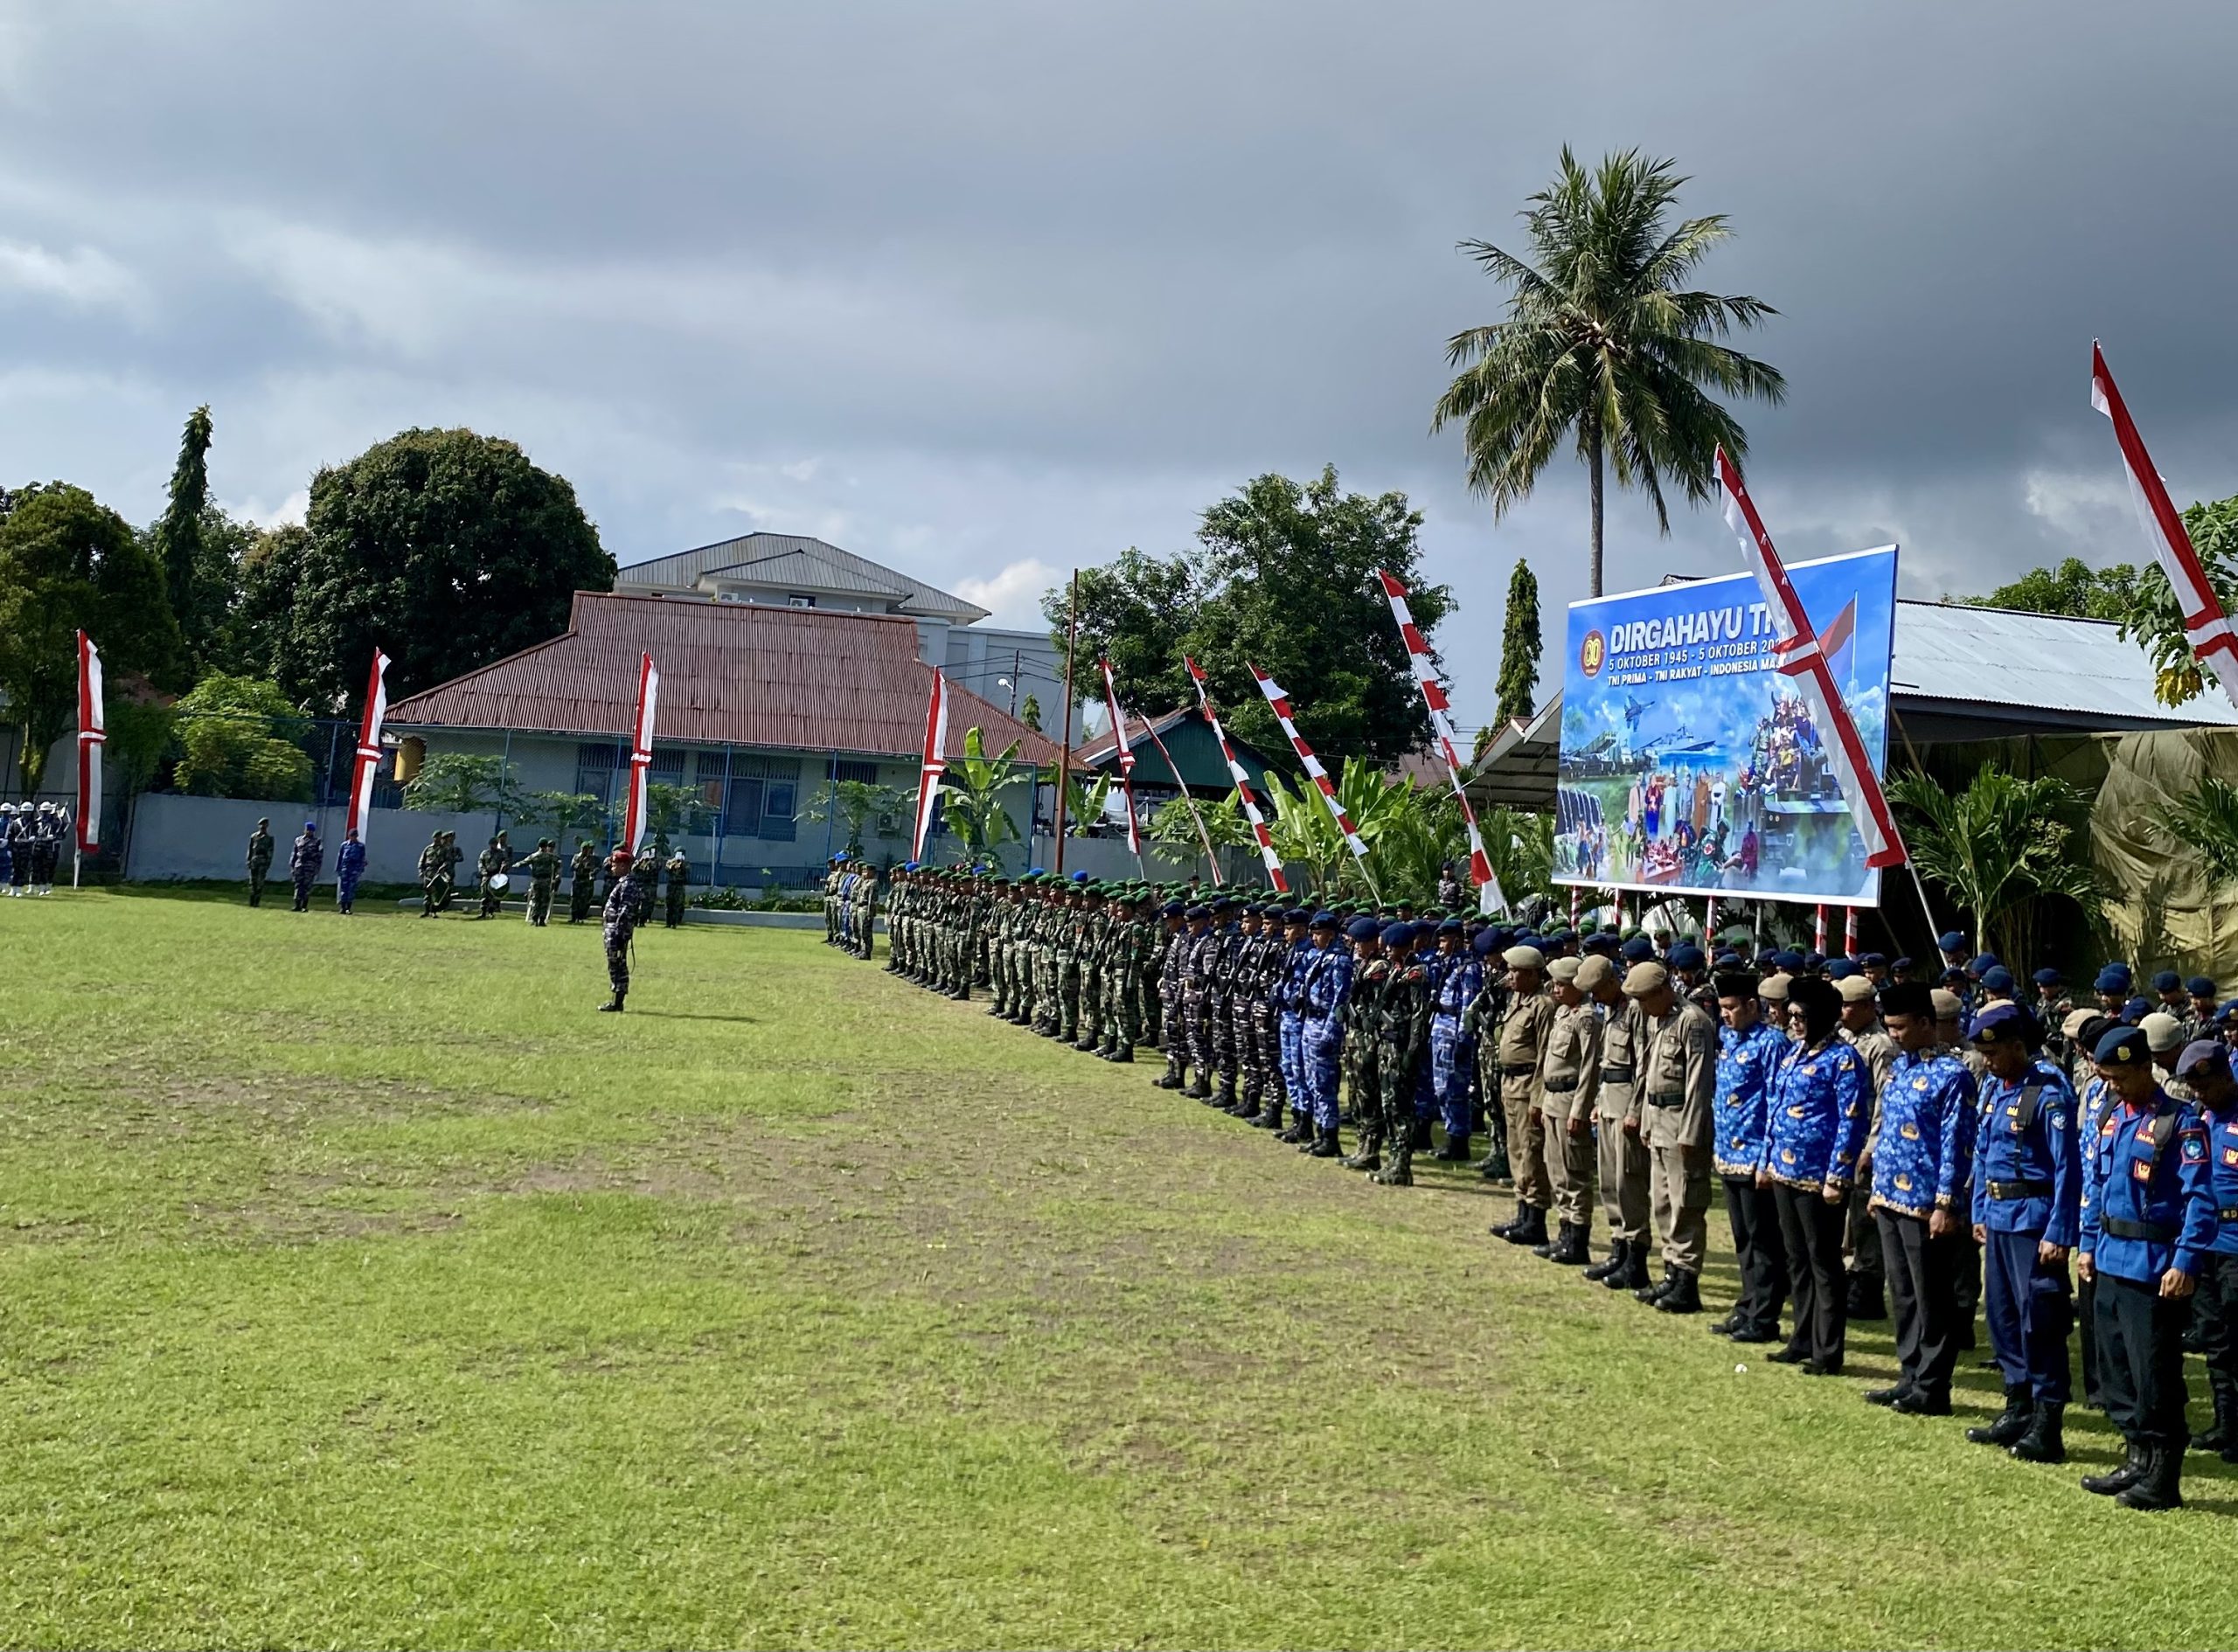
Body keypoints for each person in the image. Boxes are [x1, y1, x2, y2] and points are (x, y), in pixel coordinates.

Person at [2075, 1024, 2216, 1510]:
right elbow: (2097, 1185)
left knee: (2154, 1373)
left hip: (2154, 1265)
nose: (2112, 1086)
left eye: (2119, 1077)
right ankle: (2136, 1456)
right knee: (2116, 1369)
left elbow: (2200, 1200)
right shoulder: (2113, 1116)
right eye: (2106, 1079)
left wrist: (2186, 1260)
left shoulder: (2180, 1123)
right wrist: (2087, 1244)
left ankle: (2162, 1475)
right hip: (2110, 1257)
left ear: (2144, 1068)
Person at [1963, 1001, 2081, 1460]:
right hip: (1998, 1216)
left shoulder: (2046, 1092)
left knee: (2041, 1320)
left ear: (2017, 1046)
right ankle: (2017, 1406)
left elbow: (2067, 1168)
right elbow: (1983, 1153)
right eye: (1983, 1054)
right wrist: (1979, 1209)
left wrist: (2059, 1231)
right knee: (2003, 1316)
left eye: (1994, 1053)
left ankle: (2047, 1422)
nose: (1988, 1062)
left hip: (2033, 1220)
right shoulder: (1995, 1089)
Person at [1859, 983, 1976, 1417]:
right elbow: (1888, 1133)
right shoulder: (1899, 1069)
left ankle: (1932, 1385)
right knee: (1903, 1294)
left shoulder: (1952, 1075)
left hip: (1926, 1204)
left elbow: (1956, 1143)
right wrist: (1878, 1190)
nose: (1894, 1035)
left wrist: (1945, 1204)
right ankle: (1909, 1375)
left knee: (1932, 1297)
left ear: (1927, 1023)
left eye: (1901, 1027)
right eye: (1889, 1027)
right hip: (1891, 1198)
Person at [1762, 976, 1867, 1374]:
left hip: (1818, 1177)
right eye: (1790, 1015)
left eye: (1800, 1016)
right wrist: (1769, 1159)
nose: (1793, 1022)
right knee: (1797, 1259)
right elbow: (1776, 1107)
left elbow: (1851, 1120)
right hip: (1785, 1171)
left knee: (1824, 1261)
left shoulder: (1843, 1059)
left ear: (1820, 1016)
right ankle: (1801, 1338)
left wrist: (1837, 1176)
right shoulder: (1794, 1053)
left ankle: (1827, 1351)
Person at [1630, 960, 1719, 1314]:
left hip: (1682, 1121)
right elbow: (1649, 1073)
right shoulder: (1658, 1019)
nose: (1641, 1006)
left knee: (1686, 1203)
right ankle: (1671, 1271)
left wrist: (1691, 1131)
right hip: (1659, 1119)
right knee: (1663, 1201)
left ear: (1663, 991)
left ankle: (1686, 1278)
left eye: (1645, 999)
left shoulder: (1692, 1021)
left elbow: (1698, 1081)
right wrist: (1645, 1120)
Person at [1711, 967, 1792, 1343]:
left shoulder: (1771, 1043)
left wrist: (1767, 1159)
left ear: (1752, 1006)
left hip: (1756, 1155)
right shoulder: (1728, 1038)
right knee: (1743, 1237)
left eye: (1731, 1007)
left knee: (1764, 1240)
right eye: (1722, 1007)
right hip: (1728, 1152)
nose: (1725, 1014)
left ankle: (1765, 1316)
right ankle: (1747, 1305)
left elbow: (1777, 1101)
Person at [2179, 1040, 2238, 1462]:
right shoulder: (2198, 1120)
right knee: (2216, 1340)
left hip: (2236, 1245)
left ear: (2226, 1077)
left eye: (2206, 1085)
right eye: (2194, 1088)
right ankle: (2226, 1423)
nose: (2200, 1094)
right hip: (2204, 1243)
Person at [1490, 946, 1557, 1247]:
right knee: (1516, 1150)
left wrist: (1538, 1099)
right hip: (1511, 1084)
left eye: (1516, 971)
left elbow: (1545, 1056)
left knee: (1532, 1153)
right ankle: (1522, 1212)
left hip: (1529, 1085)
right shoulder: (1518, 999)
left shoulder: (1543, 1005)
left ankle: (1535, 1219)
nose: (1510, 976)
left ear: (1532, 974)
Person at [1536, 955, 1602, 1261]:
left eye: (1562, 984)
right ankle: (1564, 1232)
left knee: (1573, 1171)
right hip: (1552, 1098)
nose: (1555, 989)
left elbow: (1589, 1068)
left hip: (1569, 1100)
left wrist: (1580, 1110)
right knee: (1555, 1170)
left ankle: (1577, 1240)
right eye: (1554, 984)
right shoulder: (1563, 1012)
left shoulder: (1587, 1018)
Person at [599, 847, 643, 1011]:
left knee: (617, 965)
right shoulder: (623, 883)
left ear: (624, 866)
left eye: (615, 865)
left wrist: (619, 934)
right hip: (614, 930)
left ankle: (617, 1002)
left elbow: (625, 911)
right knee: (615, 964)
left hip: (617, 932)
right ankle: (616, 1000)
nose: (612, 868)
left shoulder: (628, 885)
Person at [518, 838, 560, 927]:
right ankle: (542, 919)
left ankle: (534, 919)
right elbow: (558, 862)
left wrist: (515, 865)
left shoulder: (534, 856)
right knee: (545, 900)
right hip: (546, 880)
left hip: (536, 880)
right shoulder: (550, 856)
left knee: (536, 899)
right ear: (546, 846)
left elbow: (523, 863)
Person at [288, 821, 322, 913]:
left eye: (310, 830)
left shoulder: (317, 841)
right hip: (299, 866)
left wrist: (317, 868)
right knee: (298, 886)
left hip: (309, 867)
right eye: (307, 830)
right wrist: (292, 866)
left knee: (307, 887)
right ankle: (297, 905)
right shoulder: (298, 840)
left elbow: (319, 856)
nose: (308, 832)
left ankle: (304, 906)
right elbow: (294, 853)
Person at [334, 828, 367, 915]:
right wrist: (338, 869)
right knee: (343, 889)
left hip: (354, 870)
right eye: (351, 836)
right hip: (344, 869)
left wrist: (360, 870)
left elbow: (362, 858)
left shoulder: (360, 846)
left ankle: (348, 908)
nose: (353, 838)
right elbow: (340, 857)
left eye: (354, 836)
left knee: (351, 889)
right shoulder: (344, 845)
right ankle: (343, 907)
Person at [246, 818, 275, 906]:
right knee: (252, 882)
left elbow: (270, 852)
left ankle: (257, 902)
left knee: (260, 883)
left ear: (267, 826)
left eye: (264, 825)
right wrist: (248, 860)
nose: (263, 827)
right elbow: (250, 849)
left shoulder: (270, 839)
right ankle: (251, 902)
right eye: (261, 825)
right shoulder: (254, 836)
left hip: (263, 863)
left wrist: (268, 863)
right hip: (254, 861)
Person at [476, 836, 507, 919]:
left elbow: (505, 862)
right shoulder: (485, 853)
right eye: (493, 844)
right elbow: (480, 863)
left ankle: (491, 912)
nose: (494, 845)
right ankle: (483, 912)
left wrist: (503, 867)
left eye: (496, 844)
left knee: (493, 895)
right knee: (485, 894)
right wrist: (483, 871)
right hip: (487, 875)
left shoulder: (501, 853)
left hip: (496, 876)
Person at [568, 840, 599, 924]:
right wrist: (580, 863)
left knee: (583, 900)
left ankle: (581, 917)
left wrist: (590, 869)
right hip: (577, 880)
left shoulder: (592, 858)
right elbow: (572, 867)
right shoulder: (576, 857)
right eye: (584, 849)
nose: (585, 851)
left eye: (586, 849)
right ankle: (573, 917)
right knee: (574, 899)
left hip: (585, 881)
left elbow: (594, 868)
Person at [664, 849, 690, 928]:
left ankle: (674, 923)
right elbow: (667, 869)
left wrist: (682, 864)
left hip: (679, 886)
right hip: (671, 886)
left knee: (677, 905)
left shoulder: (686, 864)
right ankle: (668, 923)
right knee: (669, 904)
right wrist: (673, 864)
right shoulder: (670, 862)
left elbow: (687, 871)